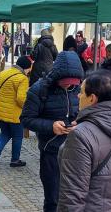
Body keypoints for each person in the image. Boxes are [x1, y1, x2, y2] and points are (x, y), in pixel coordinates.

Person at [57, 69, 111, 212]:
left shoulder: (80, 136)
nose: (78, 95)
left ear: (92, 98)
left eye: (81, 92)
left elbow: (72, 197)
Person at [21, 51, 83, 212]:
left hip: (78, 152)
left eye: (73, 82)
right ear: (57, 75)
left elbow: (87, 114)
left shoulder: (79, 89)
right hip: (51, 152)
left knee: (75, 198)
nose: (69, 85)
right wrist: (51, 126)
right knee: (53, 199)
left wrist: (80, 123)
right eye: (65, 82)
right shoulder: (39, 89)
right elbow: (26, 119)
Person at [0, 56, 32, 167]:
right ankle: (15, 160)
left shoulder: (3, 73)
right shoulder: (23, 79)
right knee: (18, 135)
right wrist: (28, 108)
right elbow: (20, 99)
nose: (29, 71)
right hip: (14, 114)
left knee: (5, 132)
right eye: (29, 69)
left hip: (0, 111)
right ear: (25, 68)